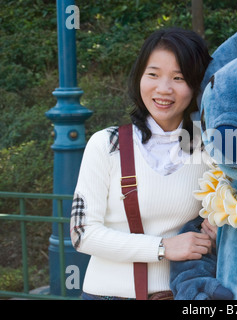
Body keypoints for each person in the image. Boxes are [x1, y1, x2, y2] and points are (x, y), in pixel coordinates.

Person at [70, 27, 215, 300]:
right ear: (140, 77)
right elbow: (82, 233)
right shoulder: (107, 143)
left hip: (182, 295)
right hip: (107, 295)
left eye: (179, 77)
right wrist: (162, 247)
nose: (163, 89)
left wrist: (219, 234)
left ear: (196, 85)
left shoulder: (209, 150)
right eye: (153, 74)